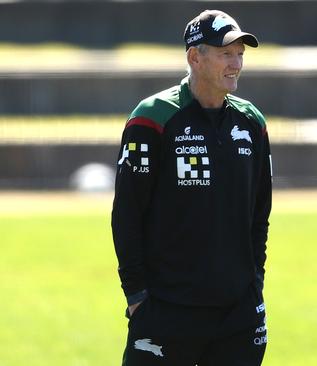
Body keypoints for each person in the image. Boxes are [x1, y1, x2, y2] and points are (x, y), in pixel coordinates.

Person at [111, 9, 272, 365]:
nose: (236, 64)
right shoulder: (152, 118)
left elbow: (259, 216)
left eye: (240, 54)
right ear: (194, 57)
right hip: (165, 313)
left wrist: (254, 285)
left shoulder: (252, 122)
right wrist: (136, 295)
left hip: (238, 316)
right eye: (226, 53)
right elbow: (126, 215)